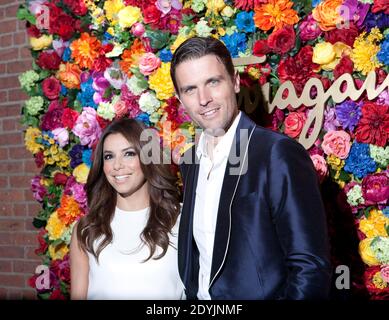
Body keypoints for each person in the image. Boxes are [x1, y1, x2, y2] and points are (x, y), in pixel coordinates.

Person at [170, 36, 332, 300]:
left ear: (234, 82)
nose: (204, 99)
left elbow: (310, 268)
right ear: (180, 98)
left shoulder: (276, 154)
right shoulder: (190, 163)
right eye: (190, 89)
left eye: (213, 82)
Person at [70, 118, 184, 299]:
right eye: (109, 156)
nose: (117, 166)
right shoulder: (86, 229)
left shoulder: (181, 218)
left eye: (129, 153)